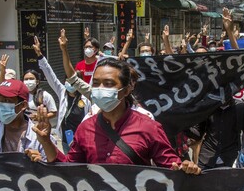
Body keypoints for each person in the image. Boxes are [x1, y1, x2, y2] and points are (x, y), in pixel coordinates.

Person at [29, 57, 201, 175]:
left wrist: (186, 168)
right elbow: (69, 168)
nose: (101, 88)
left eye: (109, 83)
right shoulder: (85, 128)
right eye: (96, 83)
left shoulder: (149, 127)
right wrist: (46, 142)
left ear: (126, 90)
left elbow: (171, 167)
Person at [0, 12, 48, 157]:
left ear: (22, 105)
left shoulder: (38, 134)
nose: (0, 105)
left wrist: (41, 162)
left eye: (7, 101)